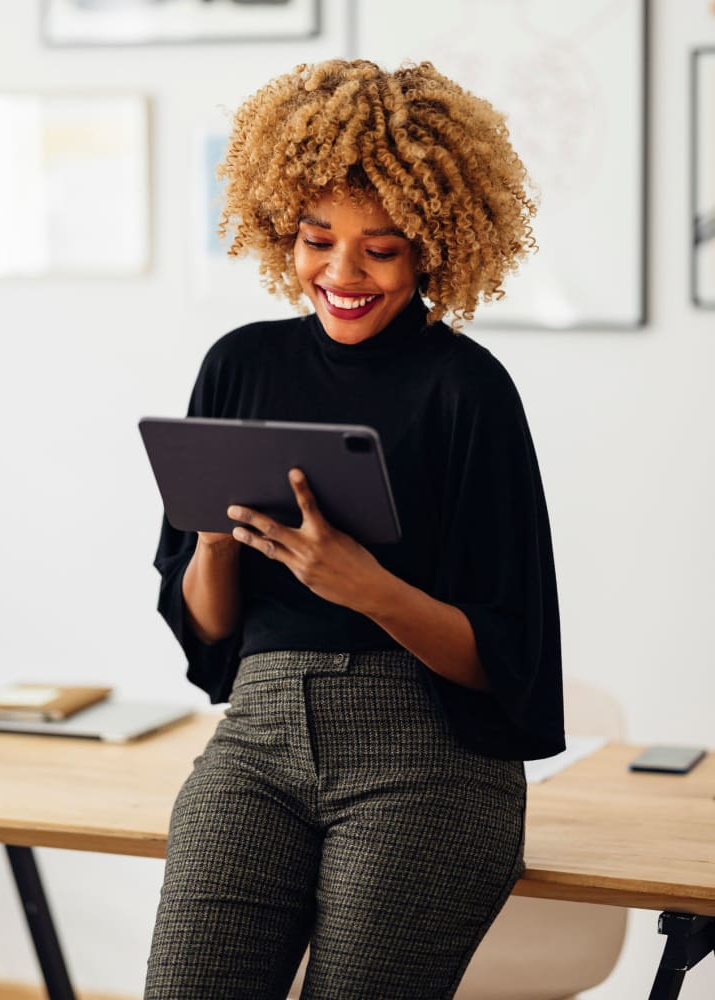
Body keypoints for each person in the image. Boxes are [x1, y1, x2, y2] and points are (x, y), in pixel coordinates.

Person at [144, 58, 563, 1000]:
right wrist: (211, 538)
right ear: (277, 228)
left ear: (433, 248)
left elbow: (507, 660)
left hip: (430, 763)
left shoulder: (468, 390)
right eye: (316, 238)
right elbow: (206, 634)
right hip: (255, 743)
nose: (341, 274)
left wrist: (362, 585)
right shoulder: (239, 366)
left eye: (380, 248)